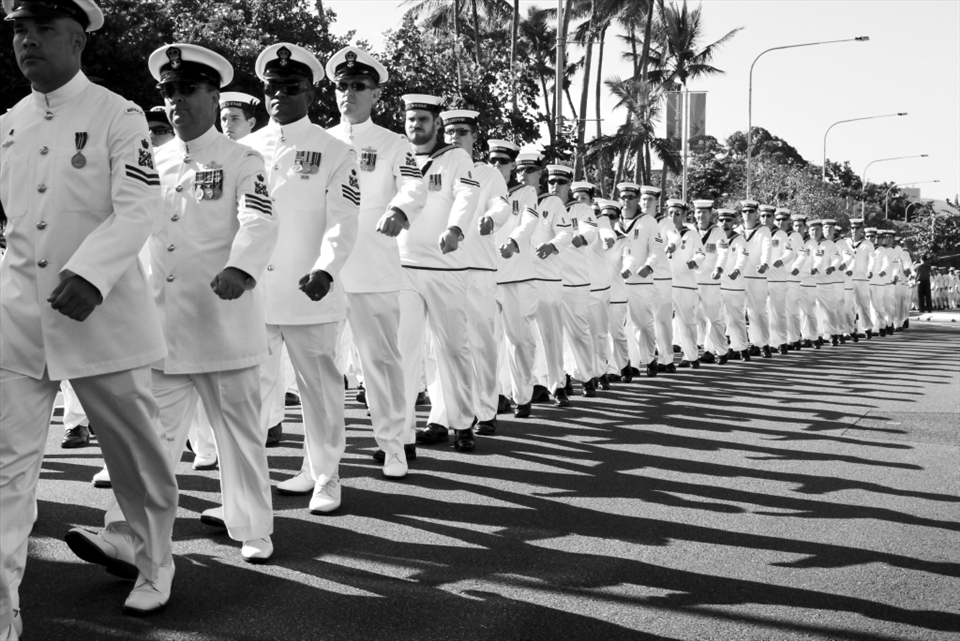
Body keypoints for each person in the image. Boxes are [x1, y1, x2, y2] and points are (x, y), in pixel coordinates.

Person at [1, 0, 179, 625]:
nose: (27, 41)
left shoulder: (117, 114)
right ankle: (4, 613)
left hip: (100, 315)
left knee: (134, 458)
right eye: (20, 29)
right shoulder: (10, 122)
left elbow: (139, 208)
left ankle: (154, 561)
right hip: (20, 321)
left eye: (43, 29)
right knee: (6, 474)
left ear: (76, 39)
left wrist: (90, 273)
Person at [128, 43, 278, 563]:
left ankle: (253, 527)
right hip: (163, 326)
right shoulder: (153, 159)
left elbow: (259, 219)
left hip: (222, 323)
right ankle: (135, 539)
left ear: (214, 95)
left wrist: (240, 267)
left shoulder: (243, 158)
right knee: (150, 442)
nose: (176, 101)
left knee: (238, 435)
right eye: (168, 92)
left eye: (188, 90)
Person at [245, 42, 360, 507]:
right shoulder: (244, 148)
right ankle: (248, 488)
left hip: (308, 289)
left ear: (309, 92)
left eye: (290, 87)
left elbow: (343, 220)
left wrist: (326, 270)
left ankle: (326, 474)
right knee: (249, 394)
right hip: (251, 291)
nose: (279, 94)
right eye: (272, 86)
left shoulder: (334, 150)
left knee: (320, 391)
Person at [325, 46, 426, 476]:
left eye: (358, 86)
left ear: (375, 95)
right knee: (322, 367)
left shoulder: (392, 143)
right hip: (324, 271)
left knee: (381, 363)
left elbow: (413, 187)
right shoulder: (320, 140)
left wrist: (400, 210)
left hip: (373, 265)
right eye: (342, 86)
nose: (348, 93)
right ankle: (324, 458)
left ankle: (394, 445)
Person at [398, 94, 480, 452]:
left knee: (452, 349)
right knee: (403, 352)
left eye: (423, 119)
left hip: (446, 268)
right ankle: (400, 435)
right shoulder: (397, 155)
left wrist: (456, 229)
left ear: (436, 124)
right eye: (411, 119)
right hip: (402, 267)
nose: (416, 125)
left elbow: (466, 195)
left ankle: (461, 423)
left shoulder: (455, 157)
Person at [435, 109, 510, 433]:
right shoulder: (435, 167)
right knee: (440, 345)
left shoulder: (487, 173)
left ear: (474, 136)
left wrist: (493, 218)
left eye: (462, 132)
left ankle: (486, 409)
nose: (455, 137)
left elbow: (502, 203)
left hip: (478, 269)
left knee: (480, 342)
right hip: (441, 268)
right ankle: (440, 416)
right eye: (450, 131)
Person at [517, 152, 574, 406]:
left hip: (546, 278)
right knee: (523, 337)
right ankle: (530, 385)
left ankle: (557, 384)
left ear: (539, 174)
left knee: (549, 335)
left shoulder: (551, 203)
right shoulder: (513, 197)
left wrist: (551, 245)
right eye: (520, 170)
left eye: (529, 170)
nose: (523, 175)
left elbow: (566, 232)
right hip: (518, 277)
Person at [491, 140, 540, 417]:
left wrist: (513, 241)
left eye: (503, 162)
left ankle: (522, 395)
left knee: (519, 341)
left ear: (513, 166)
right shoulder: (482, 186)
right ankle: (495, 395)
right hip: (486, 275)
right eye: (493, 161)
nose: (497, 166)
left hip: (517, 277)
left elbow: (529, 221)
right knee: (487, 341)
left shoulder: (526, 193)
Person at [546, 165, 598, 397]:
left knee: (578, 333)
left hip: (575, 282)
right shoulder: (543, 204)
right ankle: (560, 381)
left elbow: (591, 230)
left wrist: (580, 237)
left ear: (569, 185)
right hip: (549, 279)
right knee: (552, 335)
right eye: (551, 181)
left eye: (560, 181)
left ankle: (586, 376)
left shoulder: (580, 209)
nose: (555, 186)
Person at [617, 184, 663, 377]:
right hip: (617, 282)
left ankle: (650, 358)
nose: (626, 201)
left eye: (630, 197)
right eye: (623, 197)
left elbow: (657, 248)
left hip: (640, 280)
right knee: (620, 327)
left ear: (637, 200)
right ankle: (628, 364)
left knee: (643, 324)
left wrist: (649, 266)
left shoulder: (648, 221)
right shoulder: (612, 220)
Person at [572, 181, 614, 390]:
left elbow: (606, 231)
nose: (579, 202)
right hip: (574, 284)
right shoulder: (566, 218)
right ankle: (582, 373)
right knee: (578, 334)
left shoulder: (600, 219)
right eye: (576, 198)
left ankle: (600, 370)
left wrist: (608, 239)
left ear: (591, 201)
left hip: (597, 286)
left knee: (598, 333)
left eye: (583, 198)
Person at [664, 199, 705, 368]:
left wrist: (694, 262)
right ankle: (665, 358)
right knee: (663, 322)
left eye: (677, 213)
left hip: (685, 284)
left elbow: (701, 254)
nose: (673, 217)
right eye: (671, 213)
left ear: (684, 215)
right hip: (665, 282)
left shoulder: (692, 234)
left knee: (687, 322)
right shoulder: (662, 231)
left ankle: (691, 356)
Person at [596, 198, 632, 382]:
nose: (608, 220)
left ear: (618, 218)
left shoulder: (623, 240)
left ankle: (624, 364)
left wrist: (627, 269)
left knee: (616, 333)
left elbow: (628, 258)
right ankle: (608, 369)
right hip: (596, 293)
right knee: (600, 334)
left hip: (617, 292)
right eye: (605, 216)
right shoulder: (593, 237)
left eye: (612, 216)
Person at [692, 199, 726, 365]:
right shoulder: (690, 230)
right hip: (692, 281)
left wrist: (719, 268)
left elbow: (723, 252)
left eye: (704, 212)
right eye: (698, 212)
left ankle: (720, 350)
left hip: (711, 281)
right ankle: (691, 355)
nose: (701, 215)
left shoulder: (717, 232)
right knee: (691, 319)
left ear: (710, 214)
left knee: (713, 318)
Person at [714, 208, 750, 361]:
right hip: (716, 285)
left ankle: (742, 349)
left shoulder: (739, 239)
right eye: (721, 220)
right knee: (716, 319)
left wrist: (737, 270)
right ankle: (719, 351)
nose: (724, 223)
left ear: (733, 222)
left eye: (728, 220)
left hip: (734, 285)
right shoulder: (714, 237)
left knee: (736, 320)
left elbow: (743, 257)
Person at [738, 200, 772, 358]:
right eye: (744, 211)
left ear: (756, 214)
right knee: (737, 313)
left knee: (758, 312)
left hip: (757, 275)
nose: (747, 214)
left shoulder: (763, 231)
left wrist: (764, 263)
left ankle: (763, 344)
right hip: (738, 277)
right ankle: (739, 345)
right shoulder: (736, 230)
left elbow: (766, 248)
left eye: (750, 211)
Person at [764, 206, 795, 354]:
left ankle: (781, 341)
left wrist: (781, 261)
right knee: (763, 313)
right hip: (761, 279)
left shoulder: (780, 234)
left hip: (777, 279)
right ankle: (766, 342)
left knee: (778, 312)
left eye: (768, 216)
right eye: (763, 216)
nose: (765, 219)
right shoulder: (758, 233)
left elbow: (790, 253)